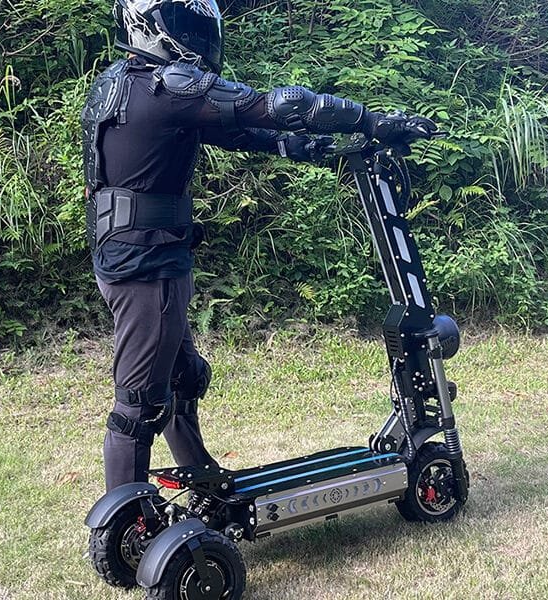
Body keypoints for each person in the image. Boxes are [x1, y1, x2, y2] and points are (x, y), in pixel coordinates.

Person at [83, 0, 438, 492]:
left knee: (183, 376)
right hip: (147, 265)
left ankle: (199, 476)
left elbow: (241, 132)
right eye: (187, 25)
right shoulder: (167, 87)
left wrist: (309, 148)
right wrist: (370, 121)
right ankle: (126, 520)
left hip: (132, 253)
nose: (198, 37)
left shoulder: (122, 83)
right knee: (138, 404)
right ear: (152, 27)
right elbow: (279, 106)